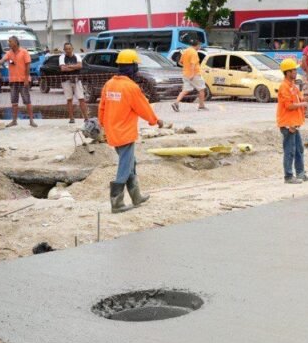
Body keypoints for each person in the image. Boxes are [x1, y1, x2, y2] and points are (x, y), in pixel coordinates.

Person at [98, 49, 164, 212]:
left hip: (113, 131)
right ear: (132, 67)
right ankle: (117, 202)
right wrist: (155, 121)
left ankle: (136, 196)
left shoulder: (110, 84)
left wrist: (104, 126)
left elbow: (102, 108)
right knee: (125, 166)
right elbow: (143, 107)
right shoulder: (130, 87)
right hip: (125, 133)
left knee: (131, 162)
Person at [277, 58, 308, 184]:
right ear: (287, 72)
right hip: (287, 124)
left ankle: (300, 173)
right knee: (289, 151)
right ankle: (288, 176)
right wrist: (303, 103)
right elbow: (289, 106)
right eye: (293, 70)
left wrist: (307, 98)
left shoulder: (293, 86)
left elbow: (300, 99)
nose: (296, 72)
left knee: (298, 149)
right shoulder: (284, 87)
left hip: (294, 123)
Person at [0, 35, 37, 127]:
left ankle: (31, 121)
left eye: (10, 41)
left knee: (27, 101)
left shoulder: (24, 52)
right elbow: (3, 60)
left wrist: (26, 79)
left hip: (23, 81)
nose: (9, 43)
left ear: (16, 42)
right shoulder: (9, 53)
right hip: (13, 81)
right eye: (9, 41)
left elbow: (28, 66)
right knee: (14, 102)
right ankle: (14, 121)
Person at [172, 36, 207, 111]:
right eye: (199, 45)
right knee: (201, 90)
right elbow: (193, 64)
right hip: (194, 74)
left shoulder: (186, 51)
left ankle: (176, 103)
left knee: (185, 90)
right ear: (197, 45)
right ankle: (201, 106)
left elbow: (180, 62)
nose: (200, 47)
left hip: (185, 74)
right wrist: (192, 74)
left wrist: (186, 68)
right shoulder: (194, 53)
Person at [58, 42, 89, 124]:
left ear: (72, 49)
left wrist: (69, 66)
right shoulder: (62, 57)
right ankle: (71, 118)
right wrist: (74, 67)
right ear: (64, 50)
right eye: (66, 49)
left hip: (76, 79)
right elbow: (63, 69)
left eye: (69, 48)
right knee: (69, 99)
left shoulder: (77, 56)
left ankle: (86, 118)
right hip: (66, 80)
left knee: (81, 98)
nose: (68, 50)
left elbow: (80, 66)